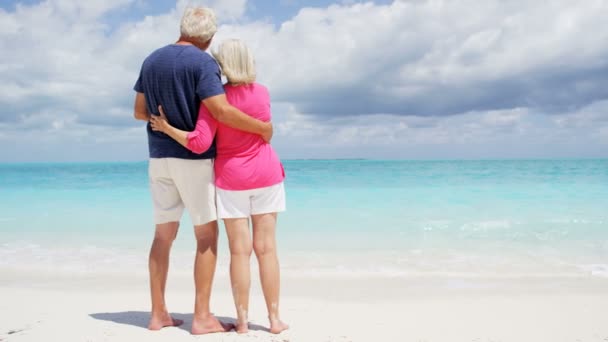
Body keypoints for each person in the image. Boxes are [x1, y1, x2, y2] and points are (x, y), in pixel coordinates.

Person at [132, 7, 272, 335]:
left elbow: (139, 112)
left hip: (158, 159)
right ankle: (202, 317)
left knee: (162, 237)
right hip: (193, 162)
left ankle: (158, 315)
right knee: (206, 237)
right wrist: (262, 128)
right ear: (208, 37)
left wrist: (163, 124)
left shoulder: (150, 60)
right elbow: (221, 110)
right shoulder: (203, 62)